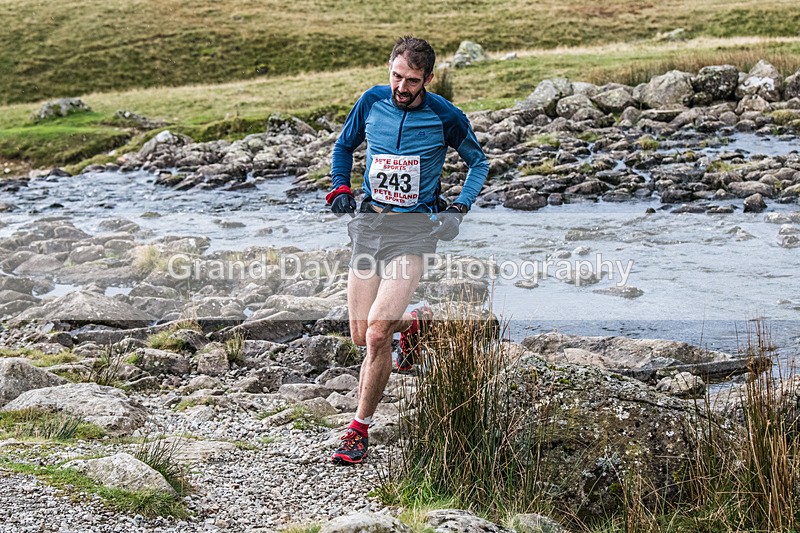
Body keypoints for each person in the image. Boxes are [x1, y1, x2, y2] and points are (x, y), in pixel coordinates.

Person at [325, 36, 488, 465]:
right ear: (389, 70)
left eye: (412, 80)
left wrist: (457, 209)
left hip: (414, 231)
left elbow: (479, 162)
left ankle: (358, 430)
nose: (402, 86)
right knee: (361, 334)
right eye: (396, 76)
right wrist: (339, 185)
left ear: (428, 79)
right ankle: (415, 322)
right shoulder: (372, 101)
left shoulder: (445, 115)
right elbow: (344, 146)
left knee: (377, 334)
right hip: (368, 224)